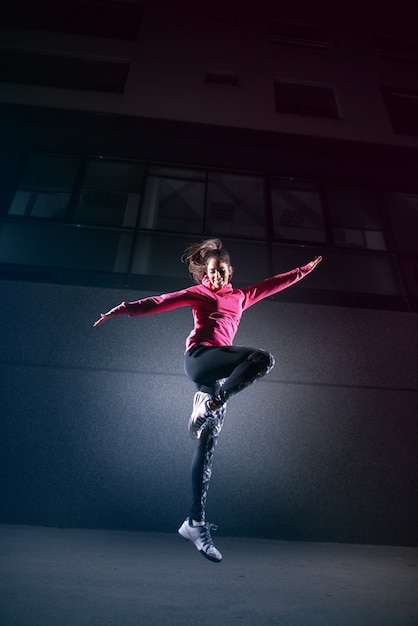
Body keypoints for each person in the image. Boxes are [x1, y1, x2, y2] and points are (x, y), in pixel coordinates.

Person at [94, 239, 322, 563]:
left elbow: (274, 284)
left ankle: (195, 522)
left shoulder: (242, 296)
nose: (216, 278)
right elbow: (159, 301)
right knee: (262, 358)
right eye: (211, 272)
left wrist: (304, 270)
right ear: (207, 272)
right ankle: (212, 403)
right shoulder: (198, 293)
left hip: (214, 377)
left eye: (221, 272)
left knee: (207, 446)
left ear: (231, 271)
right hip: (200, 358)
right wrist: (122, 309)